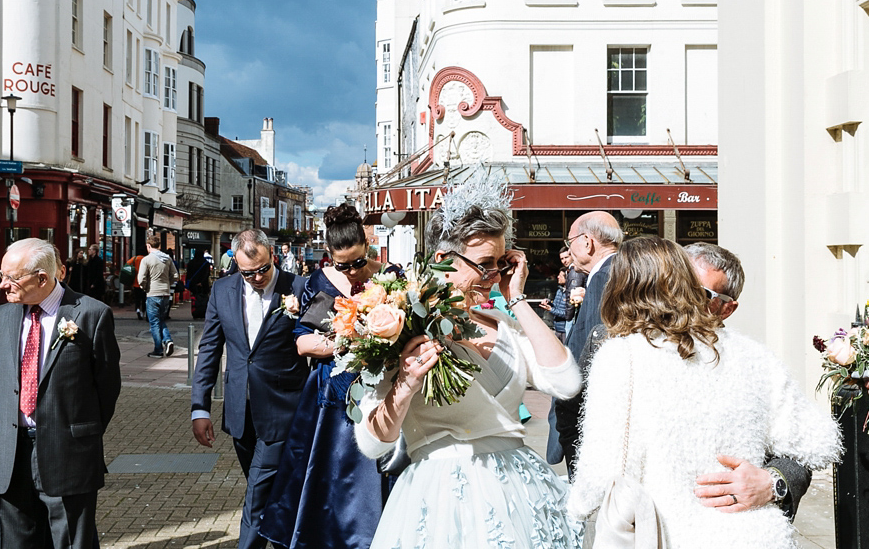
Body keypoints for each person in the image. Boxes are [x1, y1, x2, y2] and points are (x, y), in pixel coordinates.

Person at [355, 176, 583, 548]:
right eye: (485, 264)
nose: (494, 275)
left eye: (501, 263)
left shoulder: (505, 324)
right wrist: (406, 384)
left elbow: (566, 382)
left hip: (520, 496)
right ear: (444, 261)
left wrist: (518, 298)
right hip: (443, 502)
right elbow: (372, 442)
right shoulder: (403, 328)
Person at [568, 236, 840, 548]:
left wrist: (773, 482)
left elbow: (603, 477)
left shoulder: (622, 356)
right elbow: (819, 439)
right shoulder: (751, 354)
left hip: (665, 534)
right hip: (754, 537)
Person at [261, 204, 386, 549]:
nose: (352, 273)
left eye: (359, 262)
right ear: (329, 255)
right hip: (331, 397)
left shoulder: (392, 278)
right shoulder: (317, 284)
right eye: (342, 265)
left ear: (367, 247)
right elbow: (302, 342)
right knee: (328, 479)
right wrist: (348, 341)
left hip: (382, 394)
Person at [0, 238, 122, 549]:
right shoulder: (2, 316)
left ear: (42, 278)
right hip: (12, 454)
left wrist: (78, 434)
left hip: (68, 454)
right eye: (1, 275)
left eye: (12, 277)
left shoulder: (91, 314)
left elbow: (107, 388)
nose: (3, 285)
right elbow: (4, 380)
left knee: (72, 542)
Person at [190, 229, 309, 549]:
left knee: (256, 495)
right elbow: (210, 350)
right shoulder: (222, 290)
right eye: (248, 273)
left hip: (284, 409)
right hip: (240, 411)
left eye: (263, 270)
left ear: (272, 256)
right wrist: (200, 408)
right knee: (273, 492)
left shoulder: (298, 287)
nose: (257, 278)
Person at [684, 242, 812, 520]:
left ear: (726, 309)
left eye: (698, 293)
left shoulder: (757, 363)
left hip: (726, 529)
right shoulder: (623, 349)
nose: (678, 298)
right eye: (673, 284)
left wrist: (773, 483)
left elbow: (802, 448)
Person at [547, 210, 621, 476]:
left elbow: (593, 350)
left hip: (586, 418)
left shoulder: (603, 277)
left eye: (571, 242)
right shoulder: (616, 271)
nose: (569, 249)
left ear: (587, 242)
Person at [139, 232, 179, 358]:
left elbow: (141, 279)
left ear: (148, 246)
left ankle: (158, 349)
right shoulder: (167, 258)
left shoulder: (146, 259)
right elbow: (176, 276)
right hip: (165, 294)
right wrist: (167, 283)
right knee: (161, 320)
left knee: (154, 323)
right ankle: (168, 341)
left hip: (153, 294)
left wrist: (145, 287)